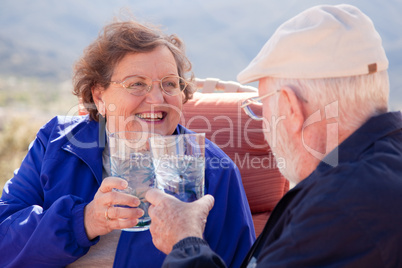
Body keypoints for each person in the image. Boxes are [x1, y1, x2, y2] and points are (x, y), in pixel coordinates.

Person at [145, 4, 402, 267]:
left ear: (291, 108)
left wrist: (184, 242)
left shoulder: (340, 209)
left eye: (263, 108)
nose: (264, 126)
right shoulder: (377, 166)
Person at [0, 18, 255, 267]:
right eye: (137, 84)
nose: (157, 99)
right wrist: (84, 221)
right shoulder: (56, 141)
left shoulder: (214, 169)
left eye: (169, 83)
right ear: (99, 96)